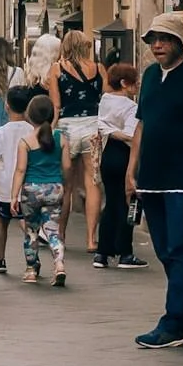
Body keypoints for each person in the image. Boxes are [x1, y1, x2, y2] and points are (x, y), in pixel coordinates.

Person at [127, 12, 183, 350]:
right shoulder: (150, 75)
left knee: (180, 247)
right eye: (153, 39)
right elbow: (141, 125)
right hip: (151, 177)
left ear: (180, 41)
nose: (157, 45)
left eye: (164, 39)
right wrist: (131, 169)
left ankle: (174, 320)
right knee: (165, 249)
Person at [56, 30, 104, 256]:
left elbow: (55, 106)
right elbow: (104, 101)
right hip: (93, 127)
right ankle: (91, 239)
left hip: (66, 128)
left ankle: (61, 236)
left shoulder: (56, 69)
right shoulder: (98, 69)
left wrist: (51, 131)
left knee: (66, 186)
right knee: (92, 182)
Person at [14, 100, 67, 286]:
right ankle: (59, 264)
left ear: (29, 116)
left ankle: (31, 270)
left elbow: (20, 170)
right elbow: (66, 167)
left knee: (31, 232)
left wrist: (14, 195)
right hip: (55, 188)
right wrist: (63, 185)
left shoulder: (25, 142)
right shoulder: (61, 138)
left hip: (31, 190)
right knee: (53, 230)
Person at [94, 63, 141, 268]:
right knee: (127, 203)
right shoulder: (131, 107)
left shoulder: (105, 100)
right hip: (124, 155)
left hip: (108, 154)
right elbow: (132, 135)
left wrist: (108, 130)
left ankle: (102, 252)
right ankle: (125, 252)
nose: (137, 85)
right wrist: (118, 133)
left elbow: (101, 125)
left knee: (111, 203)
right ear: (124, 83)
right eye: (133, 82)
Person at [0, 85, 35, 276]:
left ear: (7, 106)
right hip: (27, 185)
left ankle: (0, 259)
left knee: (2, 223)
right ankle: (32, 259)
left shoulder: (2, 132)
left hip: (6, 188)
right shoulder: (33, 130)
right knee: (28, 223)